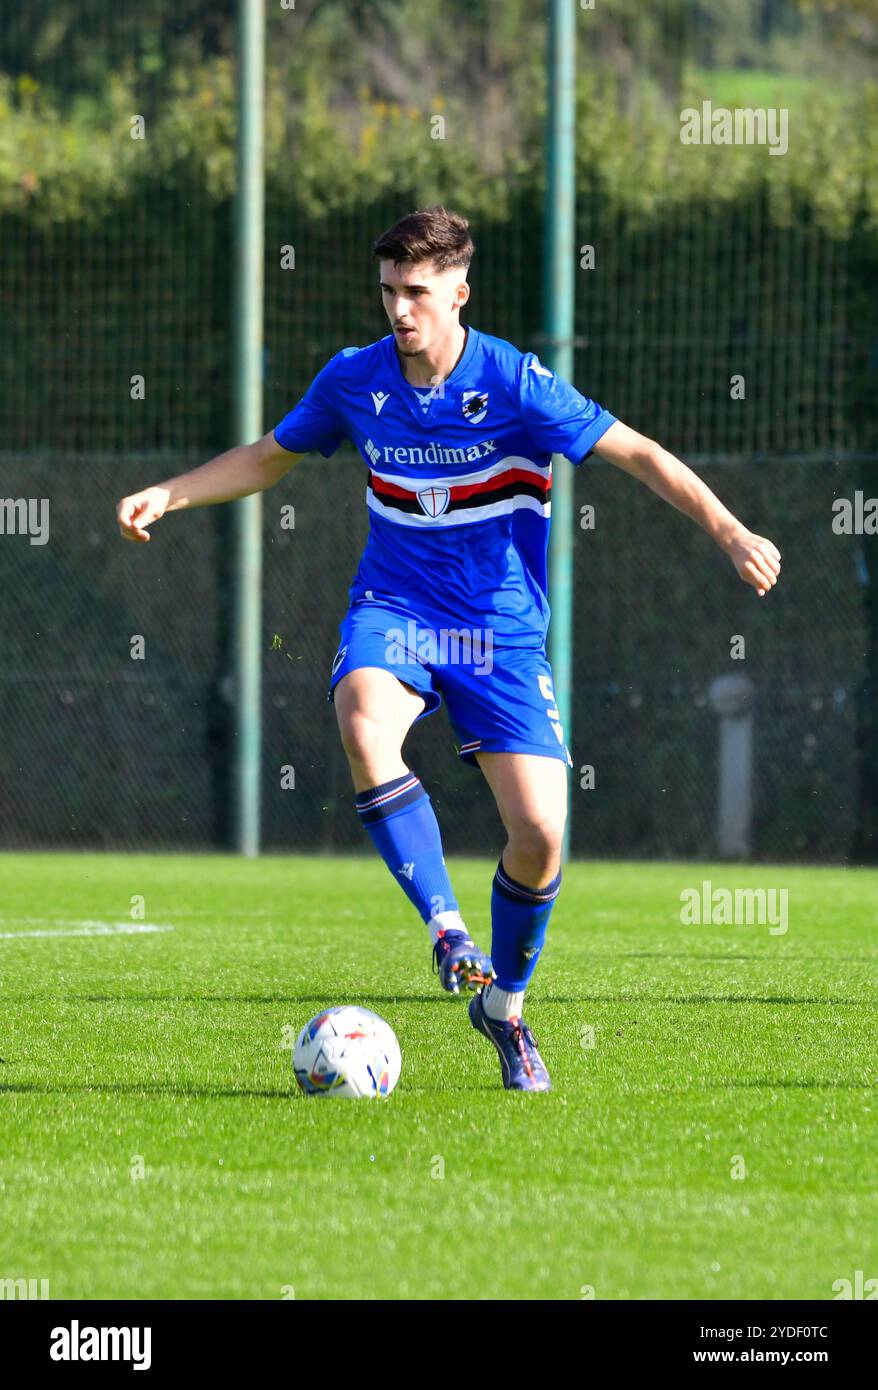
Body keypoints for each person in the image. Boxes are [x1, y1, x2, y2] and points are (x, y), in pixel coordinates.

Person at [116, 205, 781, 1092]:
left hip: (499, 632)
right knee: (362, 720)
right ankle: (445, 928)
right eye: (389, 290)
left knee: (541, 835)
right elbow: (270, 455)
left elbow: (638, 454)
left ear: (459, 293)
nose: (400, 309)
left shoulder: (516, 383)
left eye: (418, 292)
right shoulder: (355, 381)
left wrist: (730, 530)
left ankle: (503, 1008)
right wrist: (171, 492)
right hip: (396, 607)